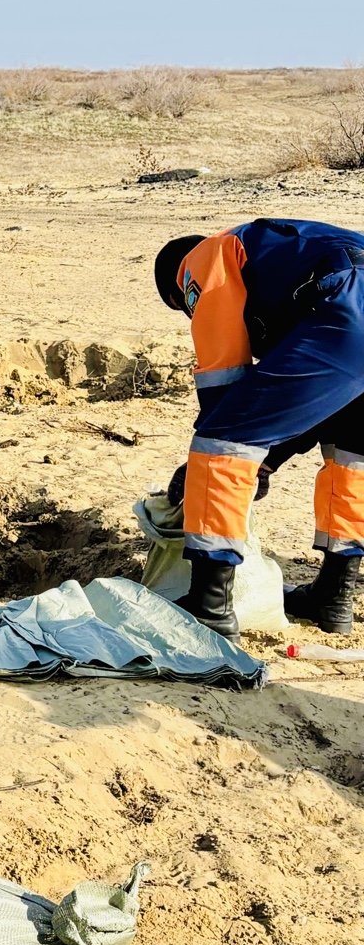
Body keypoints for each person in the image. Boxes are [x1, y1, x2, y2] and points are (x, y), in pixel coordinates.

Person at [155, 220, 364, 637]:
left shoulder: (202, 259)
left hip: (345, 309)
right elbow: (308, 405)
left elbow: (223, 377)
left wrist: (225, 458)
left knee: (220, 445)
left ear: (180, 292)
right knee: (352, 458)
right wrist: (266, 462)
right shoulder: (276, 259)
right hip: (347, 305)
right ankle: (333, 597)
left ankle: (209, 607)